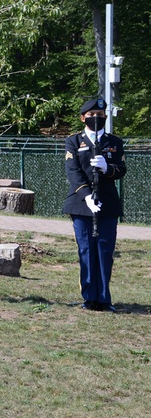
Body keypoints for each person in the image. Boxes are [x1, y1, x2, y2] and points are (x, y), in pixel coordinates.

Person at [62, 99, 125, 312]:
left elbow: (121, 169)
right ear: (83, 118)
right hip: (82, 204)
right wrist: (88, 196)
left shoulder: (114, 142)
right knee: (87, 250)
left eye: (100, 113)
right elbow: (73, 171)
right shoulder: (73, 141)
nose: (97, 117)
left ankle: (104, 298)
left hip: (107, 205)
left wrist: (108, 168)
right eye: (92, 114)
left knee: (105, 251)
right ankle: (89, 297)